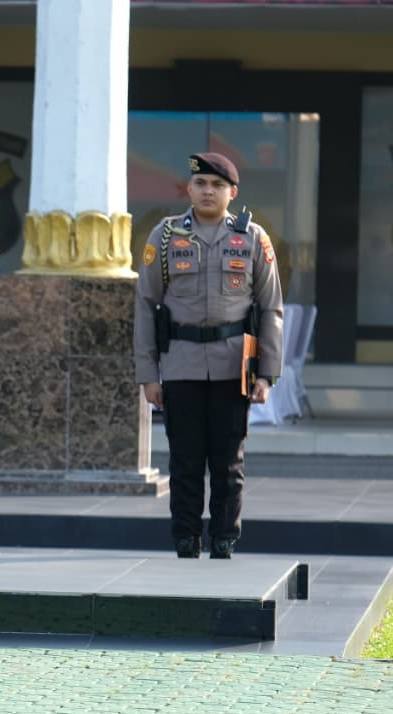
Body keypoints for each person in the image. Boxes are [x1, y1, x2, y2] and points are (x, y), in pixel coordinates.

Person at [134, 152, 284, 559]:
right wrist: (148, 374)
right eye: (200, 184)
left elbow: (271, 308)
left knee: (228, 461)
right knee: (184, 459)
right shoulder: (166, 236)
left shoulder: (252, 238)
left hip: (233, 365)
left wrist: (266, 374)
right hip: (180, 363)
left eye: (217, 185)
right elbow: (146, 304)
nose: (207, 191)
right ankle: (185, 536)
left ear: (232, 192)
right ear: (188, 188)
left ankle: (224, 537)